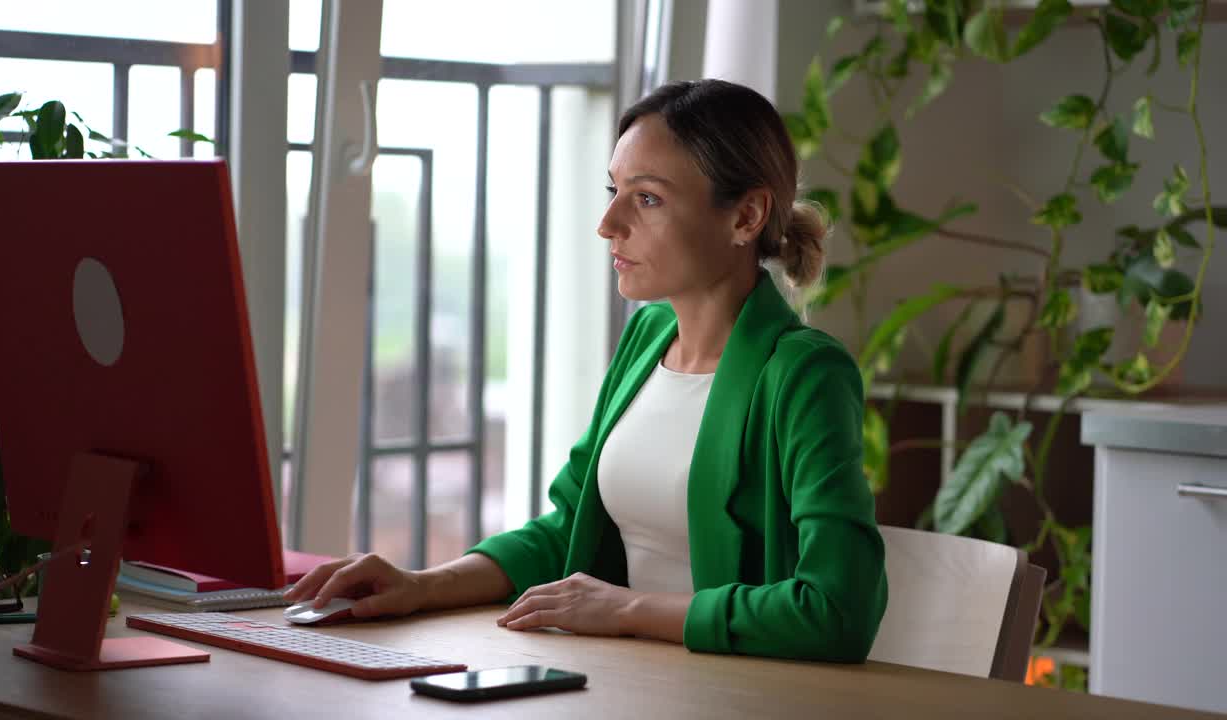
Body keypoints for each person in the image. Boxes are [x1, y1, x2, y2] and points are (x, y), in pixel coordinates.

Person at [285, 79, 888, 662]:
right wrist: (423, 585)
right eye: (614, 192)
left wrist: (627, 611)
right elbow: (568, 532)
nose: (609, 224)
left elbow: (837, 611)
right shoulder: (647, 337)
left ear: (745, 216)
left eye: (647, 198)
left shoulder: (805, 374)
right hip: (626, 681)